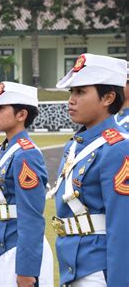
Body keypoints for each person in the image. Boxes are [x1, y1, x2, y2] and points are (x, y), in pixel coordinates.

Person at [50, 53, 129, 286]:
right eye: (71, 92)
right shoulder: (75, 144)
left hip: (99, 269)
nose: (72, 100)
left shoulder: (118, 147)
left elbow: (122, 224)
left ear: (108, 98)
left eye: (81, 92)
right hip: (73, 264)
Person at [0, 82, 54, 286]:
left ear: (21, 115)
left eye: (1, 108)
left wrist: (27, 269)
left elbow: (31, 216)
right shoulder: (2, 150)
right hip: (0, 246)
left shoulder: (26, 155)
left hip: (18, 249)